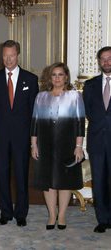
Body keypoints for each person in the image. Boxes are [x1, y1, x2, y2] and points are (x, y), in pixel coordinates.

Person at [0, 40, 39, 227]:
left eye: (12, 55)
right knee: (2, 174)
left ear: (18, 55)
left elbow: (34, 111)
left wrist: (33, 138)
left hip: (22, 136)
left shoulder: (31, 79)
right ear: (1, 57)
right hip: (0, 136)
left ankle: (21, 213)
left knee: (21, 175)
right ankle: (5, 212)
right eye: (5, 56)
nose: (8, 59)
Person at [31, 62, 85, 230]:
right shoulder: (41, 97)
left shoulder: (75, 96)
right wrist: (34, 145)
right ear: (50, 77)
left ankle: (61, 215)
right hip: (45, 144)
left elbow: (79, 123)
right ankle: (52, 215)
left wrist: (78, 146)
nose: (57, 78)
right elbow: (35, 122)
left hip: (67, 145)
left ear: (66, 77)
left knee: (64, 181)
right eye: (54, 75)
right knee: (48, 180)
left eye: (60, 74)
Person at [83, 46, 111, 233]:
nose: (106, 62)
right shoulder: (90, 85)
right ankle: (102, 219)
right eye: (103, 59)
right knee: (99, 180)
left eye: (109, 58)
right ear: (98, 61)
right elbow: (87, 110)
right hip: (97, 140)